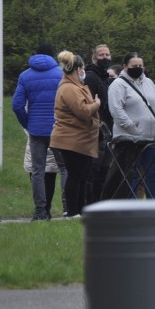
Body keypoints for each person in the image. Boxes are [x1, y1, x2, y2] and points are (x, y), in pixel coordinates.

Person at [103, 52, 155, 199]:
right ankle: (131, 206)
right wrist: (132, 127)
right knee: (131, 174)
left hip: (152, 138)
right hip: (129, 139)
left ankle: (154, 205)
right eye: (134, 66)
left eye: (140, 66)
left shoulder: (149, 83)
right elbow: (116, 110)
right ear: (125, 67)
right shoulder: (118, 85)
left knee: (153, 173)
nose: (138, 68)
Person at [12, 42, 65, 221]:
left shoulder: (25, 76)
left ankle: (40, 212)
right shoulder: (61, 74)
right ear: (53, 56)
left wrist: (28, 123)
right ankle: (68, 209)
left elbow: (17, 105)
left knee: (37, 171)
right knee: (65, 169)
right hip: (58, 128)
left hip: (36, 131)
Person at [50, 51, 101, 217]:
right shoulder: (69, 88)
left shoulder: (75, 86)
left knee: (81, 176)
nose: (83, 71)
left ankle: (79, 210)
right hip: (71, 139)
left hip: (80, 139)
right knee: (76, 176)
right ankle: (72, 212)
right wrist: (96, 104)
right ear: (78, 69)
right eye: (83, 68)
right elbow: (83, 111)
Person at [83, 43, 114, 204]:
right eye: (101, 55)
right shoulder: (91, 77)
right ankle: (89, 205)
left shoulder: (106, 78)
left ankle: (100, 204)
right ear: (94, 57)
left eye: (107, 55)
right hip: (96, 132)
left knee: (104, 171)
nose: (105, 58)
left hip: (108, 131)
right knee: (93, 171)